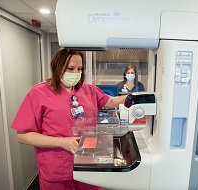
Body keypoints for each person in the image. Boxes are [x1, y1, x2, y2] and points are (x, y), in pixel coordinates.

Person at [11, 48, 127, 190]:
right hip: (56, 166)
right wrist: (61, 142)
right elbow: (23, 136)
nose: (76, 73)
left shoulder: (88, 90)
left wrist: (132, 98)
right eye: (70, 68)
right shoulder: (38, 93)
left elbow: (111, 102)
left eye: (79, 69)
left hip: (88, 160)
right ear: (57, 67)